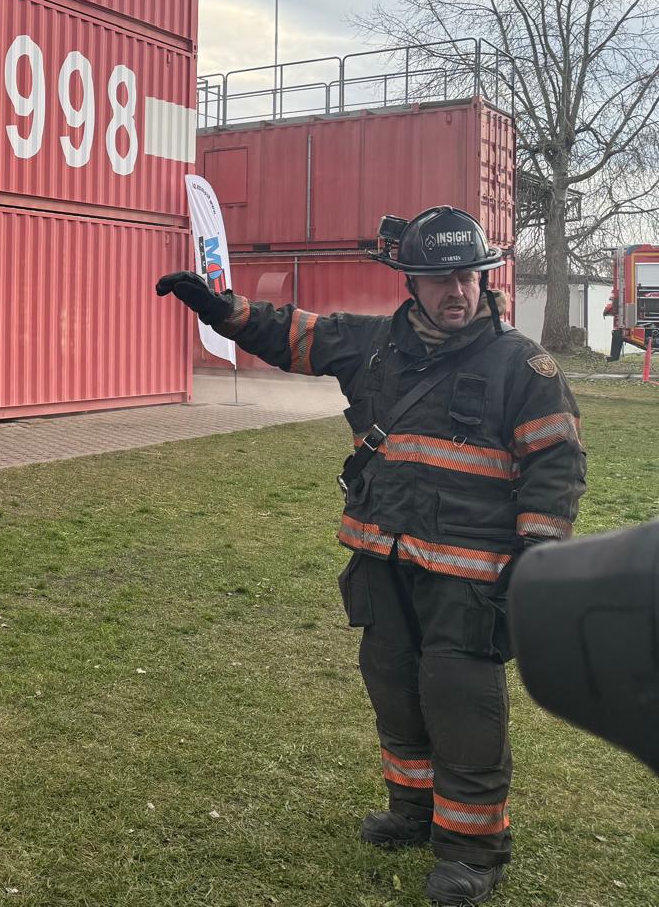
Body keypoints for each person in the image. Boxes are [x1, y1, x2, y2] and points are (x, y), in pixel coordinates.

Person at [157, 206, 586, 905]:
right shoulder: (374, 346)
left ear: (483, 279)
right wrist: (222, 310)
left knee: (462, 708)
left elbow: (556, 465)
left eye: (468, 276)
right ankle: (412, 812)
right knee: (395, 690)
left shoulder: (523, 366)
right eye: (440, 279)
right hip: (381, 563)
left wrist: (538, 559)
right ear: (411, 283)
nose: (457, 291)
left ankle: (472, 851)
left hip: (470, 580)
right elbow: (295, 334)